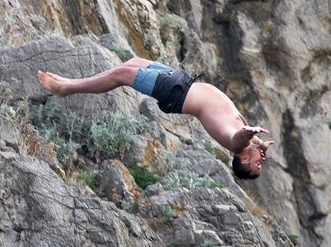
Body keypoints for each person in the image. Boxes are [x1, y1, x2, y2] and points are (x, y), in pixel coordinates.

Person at [38, 57, 274, 179]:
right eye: (260, 164)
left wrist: (251, 132)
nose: (260, 161)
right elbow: (249, 141)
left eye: (256, 165)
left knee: (121, 74)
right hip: (183, 82)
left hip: (176, 93)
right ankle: (68, 82)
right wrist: (260, 143)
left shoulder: (236, 142)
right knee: (130, 64)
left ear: (243, 160)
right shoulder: (248, 144)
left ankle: (66, 88)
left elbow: (240, 136)